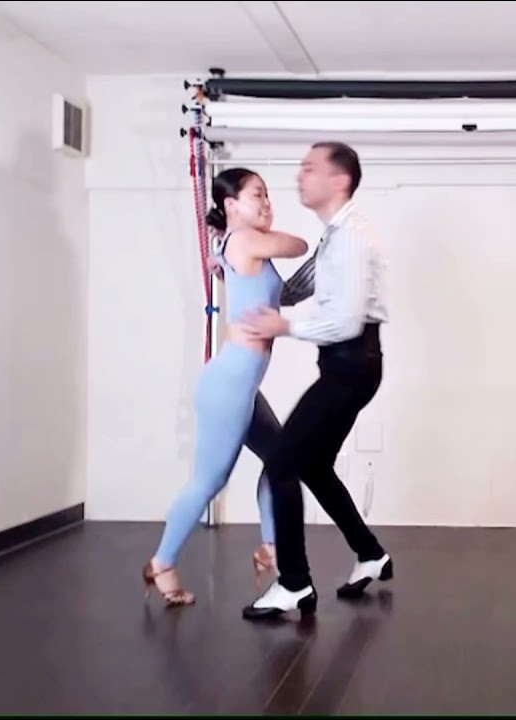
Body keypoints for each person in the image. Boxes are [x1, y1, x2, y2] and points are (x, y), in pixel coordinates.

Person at [238, 141, 392, 620]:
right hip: (349, 365)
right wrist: (241, 265)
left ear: (339, 180)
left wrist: (283, 326)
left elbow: (344, 321)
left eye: (310, 168)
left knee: (282, 465)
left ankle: (295, 583)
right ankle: (371, 554)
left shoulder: (350, 237)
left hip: (351, 364)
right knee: (315, 466)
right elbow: (297, 287)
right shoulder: (335, 235)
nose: (299, 175)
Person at [141, 167, 310, 606]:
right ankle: (161, 562)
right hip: (230, 384)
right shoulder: (245, 240)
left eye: (268, 195)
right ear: (231, 204)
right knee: (209, 481)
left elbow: (269, 292)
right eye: (258, 195)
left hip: (242, 385)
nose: (267, 203)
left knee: (281, 460)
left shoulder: (235, 245)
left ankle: (271, 547)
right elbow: (299, 244)